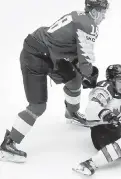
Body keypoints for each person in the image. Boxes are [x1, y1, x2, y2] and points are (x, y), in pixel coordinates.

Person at [0, 0, 109, 163]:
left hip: (49, 53)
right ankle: (7, 145)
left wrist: (84, 72)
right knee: (38, 106)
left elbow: (68, 47)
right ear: (94, 12)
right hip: (36, 55)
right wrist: (91, 74)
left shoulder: (79, 16)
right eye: (103, 12)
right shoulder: (89, 25)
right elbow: (85, 61)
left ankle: (71, 114)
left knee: (74, 79)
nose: (104, 16)